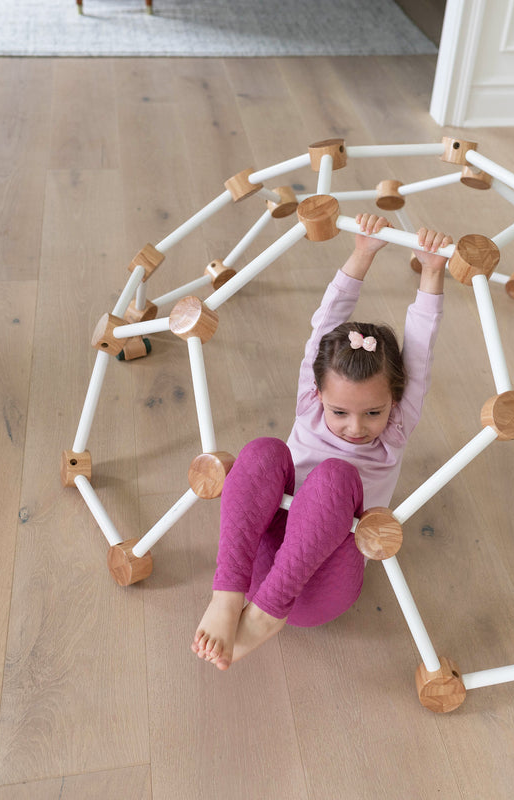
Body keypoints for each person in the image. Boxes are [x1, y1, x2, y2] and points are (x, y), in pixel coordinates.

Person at [192, 212, 452, 670]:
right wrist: (361, 252)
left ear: (395, 402)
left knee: (336, 476)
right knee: (263, 451)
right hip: (257, 564)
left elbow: (419, 350)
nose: (356, 427)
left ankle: (268, 614)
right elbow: (326, 322)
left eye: (373, 412)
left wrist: (432, 270)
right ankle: (227, 593)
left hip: (316, 585)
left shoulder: (393, 431)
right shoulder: (310, 404)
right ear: (317, 395)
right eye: (340, 412)